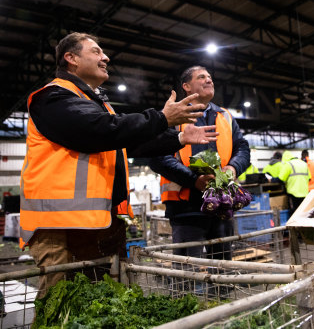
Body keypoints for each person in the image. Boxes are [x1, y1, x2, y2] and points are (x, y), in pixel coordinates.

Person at [20, 32, 218, 298]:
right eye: (96, 51)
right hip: (59, 228)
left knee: (101, 303)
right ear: (71, 58)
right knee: (61, 307)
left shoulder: (95, 104)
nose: (106, 57)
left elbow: (127, 143)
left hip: (97, 222)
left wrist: (180, 137)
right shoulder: (53, 97)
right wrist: (160, 118)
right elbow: (100, 131)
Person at [149, 66, 250, 261]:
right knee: (188, 270)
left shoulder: (226, 116)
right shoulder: (172, 117)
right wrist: (194, 180)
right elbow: (158, 157)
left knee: (222, 268)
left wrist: (233, 167)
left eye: (210, 77)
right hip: (185, 208)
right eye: (201, 77)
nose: (209, 80)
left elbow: (243, 148)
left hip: (222, 205)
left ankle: (222, 292)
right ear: (186, 86)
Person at [278, 151, 310, 215]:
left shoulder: (288, 164)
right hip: (305, 193)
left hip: (293, 193)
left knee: (294, 213)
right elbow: (310, 177)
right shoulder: (304, 163)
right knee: (303, 212)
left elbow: (281, 178)